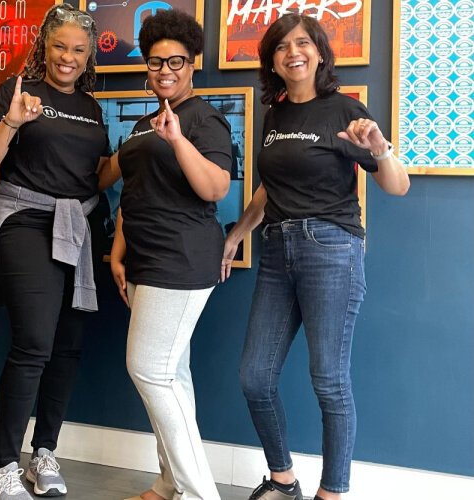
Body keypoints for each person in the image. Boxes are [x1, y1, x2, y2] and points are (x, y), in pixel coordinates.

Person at [221, 13, 410, 500]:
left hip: (331, 248)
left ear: (320, 53)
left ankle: (333, 492)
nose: (292, 52)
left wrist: (380, 147)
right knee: (254, 377)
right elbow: (269, 189)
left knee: (328, 380)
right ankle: (283, 480)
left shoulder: (346, 111)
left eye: (302, 43)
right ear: (273, 62)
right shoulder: (276, 115)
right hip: (277, 250)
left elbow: (397, 185)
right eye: (281, 47)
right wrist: (238, 233)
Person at [0, 4, 118, 499]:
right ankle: (1, 468)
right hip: (26, 221)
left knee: (67, 347)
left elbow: (94, 175)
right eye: (59, 46)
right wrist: (10, 124)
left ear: (89, 53)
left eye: (78, 49)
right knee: (33, 343)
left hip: (80, 226)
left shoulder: (93, 108)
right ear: (43, 45)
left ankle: (43, 452)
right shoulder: (16, 91)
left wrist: (134, 156)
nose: (68, 58)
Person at [109, 9, 233, 500]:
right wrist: (118, 252)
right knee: (172, 376)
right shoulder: (143, 122)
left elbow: (214, 188)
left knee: (150, 370)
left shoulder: (205, 119)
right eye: (157, 61)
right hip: (142, 258)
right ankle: (169, 481)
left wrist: (179, 140)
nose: (165, 71)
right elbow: (133, 192)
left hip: (180, 261)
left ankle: (200, 493)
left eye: (176, 61)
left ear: (193, 63)